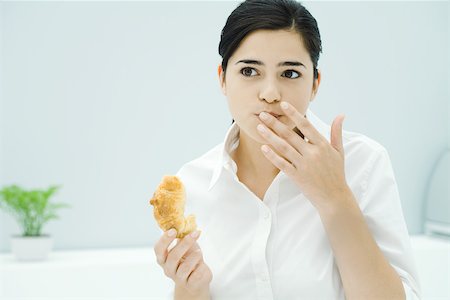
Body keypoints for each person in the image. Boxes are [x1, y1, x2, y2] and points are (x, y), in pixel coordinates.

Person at [153, 0, 421, 299]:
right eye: (249, 71)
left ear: (315, 84)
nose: (270, 93)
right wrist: (190, 288)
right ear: (222, 79)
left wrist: (335, 199)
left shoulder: (364, 163)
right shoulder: (193, 183)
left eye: (290, 73)